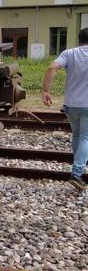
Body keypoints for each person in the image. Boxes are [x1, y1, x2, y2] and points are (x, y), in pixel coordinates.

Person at [42, 27, 88, 191]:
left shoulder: (69, 53)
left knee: (77, 136)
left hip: (71, 104)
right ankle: (76, 174)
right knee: (85, 138)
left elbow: (52, 68)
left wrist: (46, 91)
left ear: (79, 39)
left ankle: (79, 167)